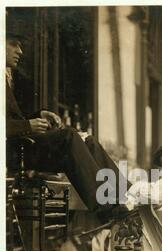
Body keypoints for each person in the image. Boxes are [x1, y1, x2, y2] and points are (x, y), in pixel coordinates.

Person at [6, 29, 128, 218]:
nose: (20, 51)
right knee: (69, 136)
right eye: (14, 43)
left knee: (87, 140)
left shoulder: (6, 77)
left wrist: (39, 115)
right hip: (11, 153)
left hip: (19, 148)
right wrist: (28, 126)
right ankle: (107, 208)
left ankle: (126, 196)